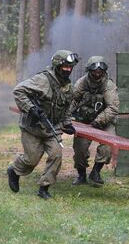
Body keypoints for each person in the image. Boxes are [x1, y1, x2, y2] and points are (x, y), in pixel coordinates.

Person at [7, 50, 79, 199]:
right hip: (32, 128)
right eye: (65, 66)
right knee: (31, 159)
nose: (68, 70)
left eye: (70, 67)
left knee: (56, 155)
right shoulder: (42, 80)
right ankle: (14, 171)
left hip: (52, 128)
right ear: (57, 66)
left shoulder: (67, 86)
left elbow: (66, 107)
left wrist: (67, 123)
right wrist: (31, 109)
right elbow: (18, 91)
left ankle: (44, 188)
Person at [70, 56, 119, 186]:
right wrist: (66, 116)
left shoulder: (108, 85)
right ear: (89, 71)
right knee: (79, 148)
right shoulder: (82, 83)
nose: (97, 74)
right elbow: (72, 100)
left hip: (104, 121)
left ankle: (96, 172)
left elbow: (113, 107)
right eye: (94, 71)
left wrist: (99, 121)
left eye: (100, 71)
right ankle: (81, 175)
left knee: (108, 145)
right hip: (85, 121)